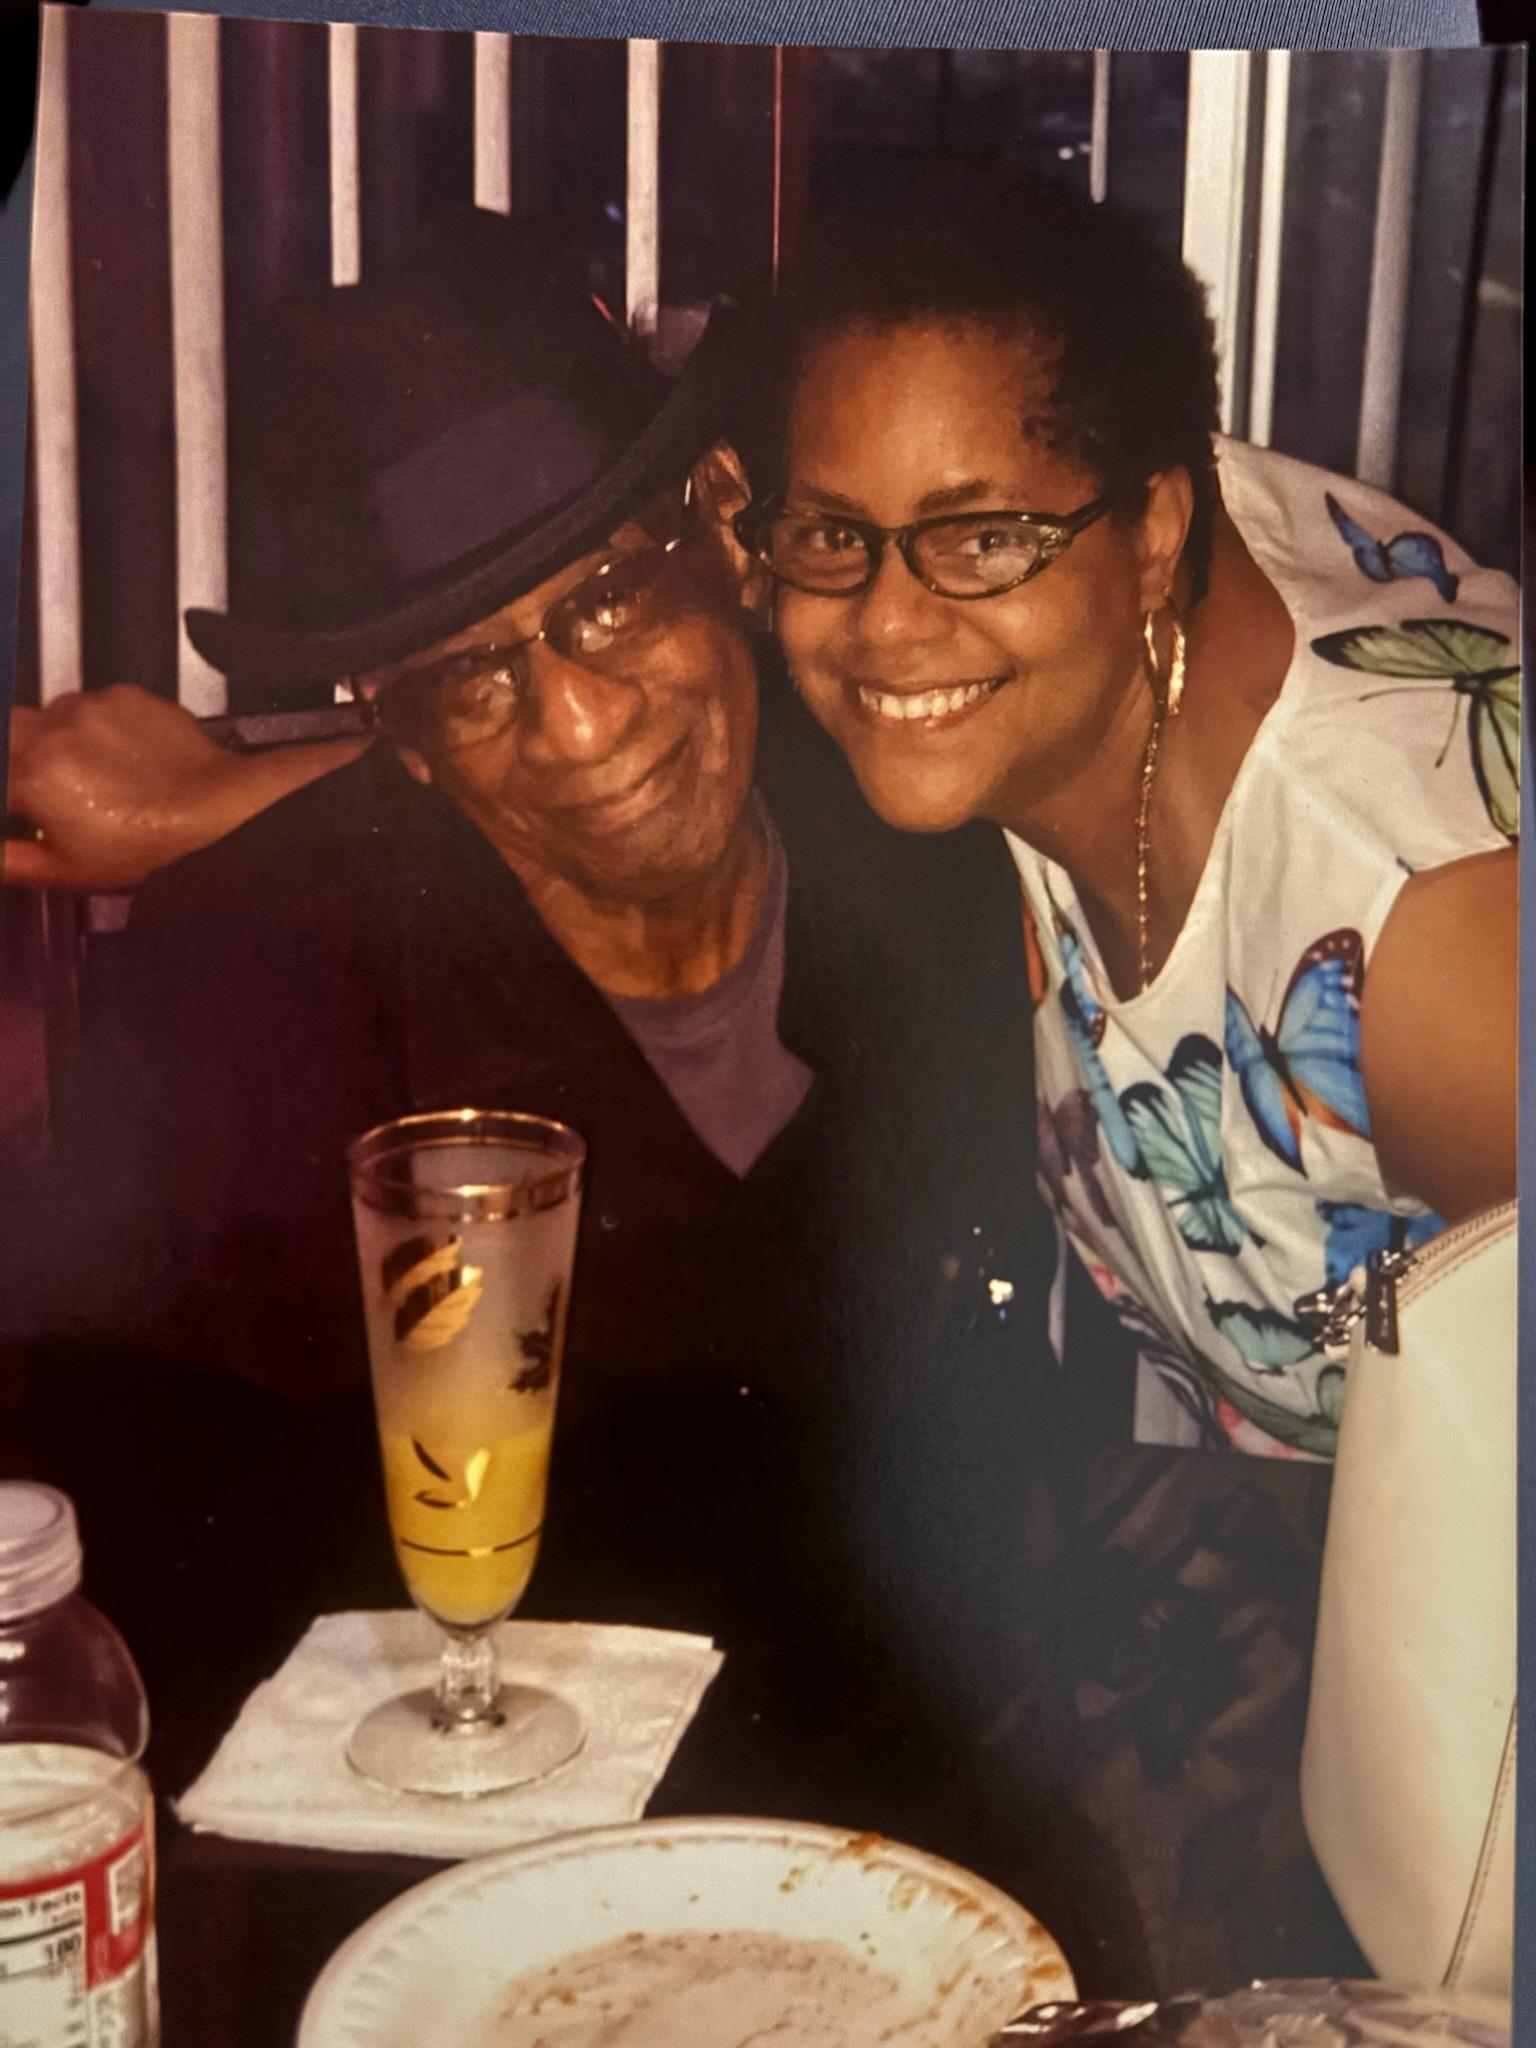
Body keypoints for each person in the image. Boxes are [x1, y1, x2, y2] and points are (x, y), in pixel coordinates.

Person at [736, 167, 1519, 1461]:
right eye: (832, 534)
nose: (883, 620)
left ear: (1156, 531)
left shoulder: (1429, 942)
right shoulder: (1086, 606)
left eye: (980, 537)